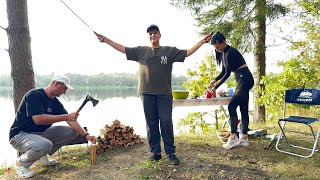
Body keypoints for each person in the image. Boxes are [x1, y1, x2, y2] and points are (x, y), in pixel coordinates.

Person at [95, 24, 212, 165]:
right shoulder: (140, 51)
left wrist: (202, 41)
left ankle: (170, 152)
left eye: (155, 33)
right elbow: (123, 49)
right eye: (150, 34)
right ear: (148, 36)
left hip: (164, 94)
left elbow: (187, 52)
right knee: (151, 124)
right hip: (146, 93)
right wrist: (106, 40)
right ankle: (155, 152)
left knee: (166, 122)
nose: (153, 36)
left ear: (160, 35)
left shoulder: (169, 51)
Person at [9, 75, 97, 179]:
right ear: (56, 83)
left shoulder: (54, 101)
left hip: (41, 133)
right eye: (64, 88)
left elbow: (70, 120)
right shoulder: (34, 95)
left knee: (71, 132)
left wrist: (86, 135)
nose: (64, 92)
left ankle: (42, 156)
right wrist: (66, 116)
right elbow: (38, 119)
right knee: (45, 144)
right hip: (20, 135)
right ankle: (21, 163)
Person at [208, 32, 254, 149]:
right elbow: (224, 71)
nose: (217, 49)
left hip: (245, 78)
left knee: (232, 105)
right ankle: (244, 138)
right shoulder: (224, 53)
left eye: (218, 46)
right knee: (243, 107)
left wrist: (216, 87)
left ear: (224, 41)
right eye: (215, 48)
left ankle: (233, 137)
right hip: (243, 79)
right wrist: (215, 80)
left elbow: (228, 73)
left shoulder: (230, 52)